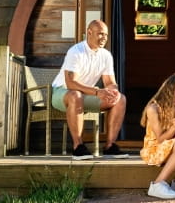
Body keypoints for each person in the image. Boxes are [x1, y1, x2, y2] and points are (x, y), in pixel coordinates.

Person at [51, 19, 128, 160]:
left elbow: (110, 82)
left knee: (121, 99)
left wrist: (113, 92)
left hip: (86, 95)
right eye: (100, 34)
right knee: (75, 95)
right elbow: (70, 83)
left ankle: (110, 146)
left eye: (106, 35)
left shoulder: (106, 56)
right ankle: (78, 147)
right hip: (62, 93)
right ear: (89, 33)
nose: (104, 38)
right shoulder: (76, 51)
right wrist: (98, 92)